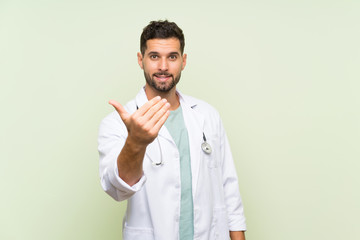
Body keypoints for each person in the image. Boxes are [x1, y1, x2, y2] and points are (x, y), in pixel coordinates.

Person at [98, 20, 246, 240]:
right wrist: (135, 143)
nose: (164, 67)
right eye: (154, 56)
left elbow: (229, 187)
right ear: (141, 60)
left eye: (172, 57)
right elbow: (117, 189)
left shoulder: (207, 115)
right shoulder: (116, 123)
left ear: (183, 61)